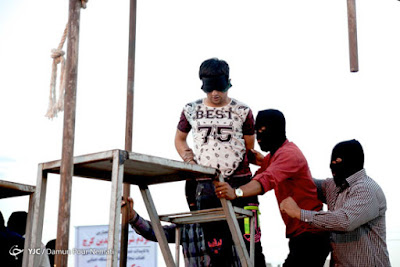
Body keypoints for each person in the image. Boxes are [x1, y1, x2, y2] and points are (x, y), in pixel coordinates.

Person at [175, 57, 266, 266]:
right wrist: (188, 158)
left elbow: (249, 146)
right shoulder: (191, 109)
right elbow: (179, 139)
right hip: (208, 186)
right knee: (217, 249)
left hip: (242, 184)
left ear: (228, 83)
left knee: (252, 244)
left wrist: (261, 159)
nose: (215, 94)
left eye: (219, 88)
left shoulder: (242, 110)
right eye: (209, 89)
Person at [215, 109, 331, 267]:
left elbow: (265, 181)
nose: (259, 137)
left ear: (278, 129)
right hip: (300, 235)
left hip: (311, 235)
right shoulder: (274, 156)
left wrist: (235, 193)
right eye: (257, 132)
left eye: (263, 131)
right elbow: (259, 175)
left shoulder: (289, 154)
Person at [280, 139, 391, 267]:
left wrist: (300, 213)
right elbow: (306, 183)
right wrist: (273, 163)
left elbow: (344, 221)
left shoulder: (367, 189)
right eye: (331, 162)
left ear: (353, 161)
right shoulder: (333, 186)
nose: (333, 166)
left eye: (337, 162)